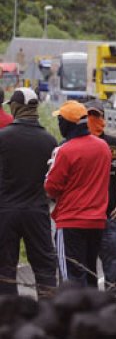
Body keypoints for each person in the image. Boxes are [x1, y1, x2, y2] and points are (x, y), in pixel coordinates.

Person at [45, 100, 112, 287]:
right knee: (90, 272)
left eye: (60, 120)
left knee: (71, 278)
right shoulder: (103, 147)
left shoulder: (65, 151)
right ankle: (92, 314)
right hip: (97, 220)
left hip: (71, 220)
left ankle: (72, 315)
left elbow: (51, 187)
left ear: (68, 123)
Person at [0, 88, 57, 297]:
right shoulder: (49, 140)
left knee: (5, 269)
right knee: (45, 269)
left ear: (16, 107)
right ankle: (49, 316)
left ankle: (8, 317)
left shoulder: (3, 138)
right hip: (37, 211)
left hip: (6, 211)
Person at [85, 99, 116, 294]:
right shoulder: (74, 145)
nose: (93, 120)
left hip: (109, 219)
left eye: (96, 116)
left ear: (104, 118)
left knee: (113, 276)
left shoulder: (115, 145)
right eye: (89, 116)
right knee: (86, 273)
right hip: (84, 219)